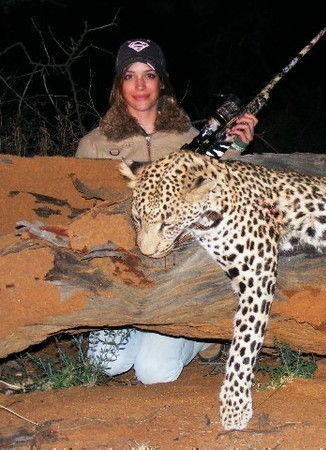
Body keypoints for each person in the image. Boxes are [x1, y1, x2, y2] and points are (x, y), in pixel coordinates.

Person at [76, 38, 258, 384]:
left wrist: (235, 147)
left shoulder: (188, 137)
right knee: (105, 365)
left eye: (149, 75)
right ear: (119, 84)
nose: (140, 85)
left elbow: (220, 191)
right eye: (130, 76)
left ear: (162, 81)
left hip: (176, 272)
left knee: (154, 372)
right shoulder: (94, 144)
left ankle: (203, 339)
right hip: (124, 274)